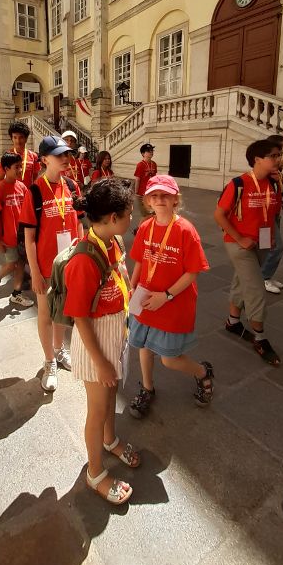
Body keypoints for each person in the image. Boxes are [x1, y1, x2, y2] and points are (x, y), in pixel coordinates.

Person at [63, 178, 139, 505]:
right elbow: (79, 317)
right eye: (128, 213)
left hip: (113, 332)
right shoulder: (83, 259)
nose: (132, 218)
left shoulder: (114, 241)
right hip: (94, 344)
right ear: (111, 218)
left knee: (110, 397)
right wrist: (102, 362)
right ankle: (95, 473)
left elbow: (120, 274)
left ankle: (110, 441)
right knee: (96, 409)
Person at [127, 175, 213, 419]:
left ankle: (202, 372)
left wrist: (165, 296)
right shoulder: (145, 226)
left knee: (169, 358)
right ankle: (147, 387)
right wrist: (131, 289)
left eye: (165, 195)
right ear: (147, 201)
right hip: (145, 298)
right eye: (154, 195)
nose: (159, 199)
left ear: (176, 199)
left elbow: (192, 271)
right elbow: (140, 262)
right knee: (142, 346)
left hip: (173, 301)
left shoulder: (185, 230)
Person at [19, 135, 85, 392]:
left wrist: (81, 253)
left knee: (62, 311)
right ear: (44, 159)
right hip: (46, 267)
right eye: (59, 155)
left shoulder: (71, 185)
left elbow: (78, 221)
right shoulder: (34, 191)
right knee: (46, 314)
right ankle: (49, 361)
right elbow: (29, 237)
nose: (65, 159)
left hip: (68, 263)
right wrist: (34, 272)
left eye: (66, 155)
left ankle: (59, 350)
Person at [214, 139, 282, 366]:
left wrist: (269, 239)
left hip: (261, 241)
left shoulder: (273, 183)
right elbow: (219, 215)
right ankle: (260, 338)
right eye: (273, 155)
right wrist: (240, 238)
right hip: (238, 243)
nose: (278, 159)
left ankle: (233, 321)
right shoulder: (238, 183)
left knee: (242, 280)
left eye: (279, 155)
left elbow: (272, 213)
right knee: (255, 289)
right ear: (257, 159)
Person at [0, 152, 34, 308]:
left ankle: (16, 294)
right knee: (12, 264)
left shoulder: (22, 187)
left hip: (22, 236)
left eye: (20, 166)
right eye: (16, 167)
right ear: (6, 169)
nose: (20, 169)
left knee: (20, 264)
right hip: (8, 236)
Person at [261, 135, 283, 295]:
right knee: (276, 248)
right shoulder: (267, 167)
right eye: (281, 149)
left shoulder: (276, 168)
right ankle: (263, 277)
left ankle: (266, 275)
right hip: (265, 216)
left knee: (266, 247)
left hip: (274, 212)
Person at [0, 121, 39, 189]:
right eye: (15, 137)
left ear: (26, 139)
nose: (18, 141)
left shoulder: (33, 156)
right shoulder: (6, 157)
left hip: (28, 195)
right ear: (12, 139)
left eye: (21, 137)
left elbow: (34, 178)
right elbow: (0, 179)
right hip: (12, 195)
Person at [133, 143, 157, 232]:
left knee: (153, 212)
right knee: (146, 214)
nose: (151, 152)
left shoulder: (154, 164)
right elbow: (137, 179)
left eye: (152, 150)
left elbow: (154, 178)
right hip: (142, 194)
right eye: (148, 151)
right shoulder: (140, 165)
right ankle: (139, 229)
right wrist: (136, 193)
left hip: (152, 193)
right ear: (143, 154)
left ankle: (147, 228)